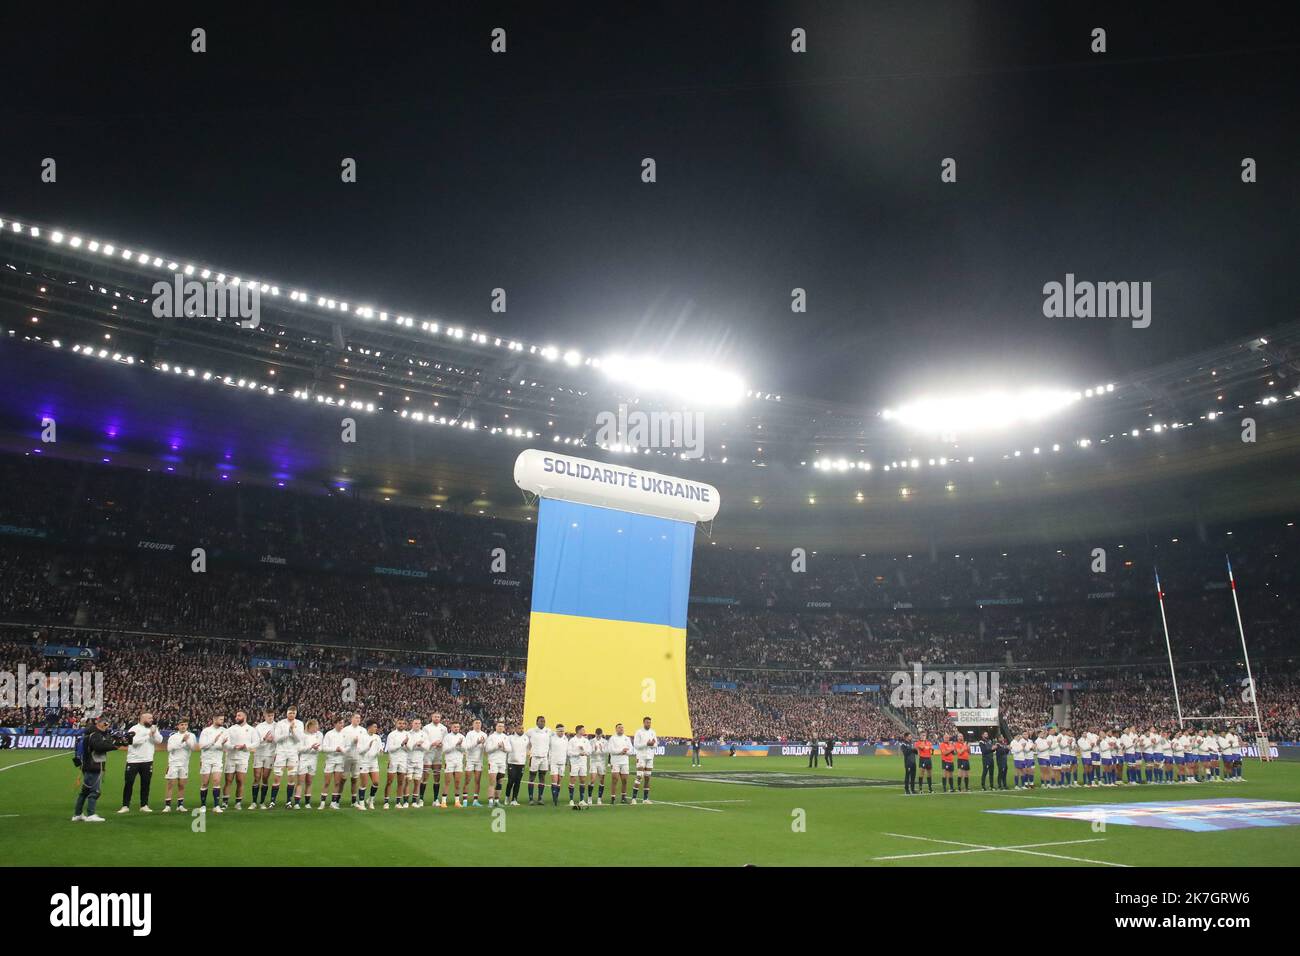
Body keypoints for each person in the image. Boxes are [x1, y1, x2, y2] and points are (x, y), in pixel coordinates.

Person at [73, 715, 124, 823]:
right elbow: (99, 747)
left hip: (88, 765)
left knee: (85, 791)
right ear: (100, 723)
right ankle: (91, 814)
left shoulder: (91, 733)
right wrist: (115, 746)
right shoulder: (95, 734)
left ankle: (77, 814)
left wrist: (113, 743)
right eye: (106, 723)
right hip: (93, 765)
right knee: (94, 791)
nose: (107, 726)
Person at [119, 711, 162, 813]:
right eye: (150, 718)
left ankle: (144, 805)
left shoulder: (153, 729)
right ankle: (125, 805)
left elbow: (159, 741)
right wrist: (148, 735)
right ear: (142, 719)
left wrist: (154, 733)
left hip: (147, 760)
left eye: (152, 718)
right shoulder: (134, 729)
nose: (152, 720)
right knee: (129, 783)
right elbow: (133, 742)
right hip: (133, 760)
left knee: (146, 784)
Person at [222, 710, 257, 810]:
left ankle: (238, 803)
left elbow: (255, 743)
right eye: (236, 715)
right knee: (228, 780)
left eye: (239, 715)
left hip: (243, 758)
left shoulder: (251, 730)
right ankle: (225, 802)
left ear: (244, 717)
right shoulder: (231, 729)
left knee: (240, 781)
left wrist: (246, 746)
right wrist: (233, 747)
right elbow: (225, 742)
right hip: (230, 757)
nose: (236, 717)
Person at [162, 720, 197, 812]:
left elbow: (193, 748)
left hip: (184, 764)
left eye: (185, 725)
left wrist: (187, 741)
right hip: (173, 763)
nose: (184, 726)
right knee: (170, 784)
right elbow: (169, 749)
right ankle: (167, 806)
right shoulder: (173, 737)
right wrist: (182, 741)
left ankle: (180, 805)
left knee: (182, 784)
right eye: (182, 725)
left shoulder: (191, 736)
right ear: (178, 726)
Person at [197, 714, 228, 812]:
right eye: (220, 719)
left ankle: (216, 806)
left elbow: (225, 746)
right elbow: (201, 746)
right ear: (214, 719)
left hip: (218, 759)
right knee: (205, 782)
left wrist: (223, 745)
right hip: (206, 759)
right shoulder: (206, 731)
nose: (222, 721)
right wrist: (213, 741)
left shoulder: (224, 731)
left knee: (216, 781)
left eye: (223, 719)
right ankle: (203, 805)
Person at [525, 716, 551, 805]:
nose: (542, 722)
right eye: (541, 721)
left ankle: (540, 798)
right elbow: (525, 742)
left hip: (544, 758)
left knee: (542, 777)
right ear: (536, 722)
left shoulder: (549, 731)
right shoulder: (531, 731)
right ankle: (531, 798)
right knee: (532, 777)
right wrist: (528, 751)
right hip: (534, 757)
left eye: (544, 721)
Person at [632, 716, 657, 804]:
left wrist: (652, 744)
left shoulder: (653, 732)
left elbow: (655, 744)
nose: (648, 724)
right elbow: (636, 745)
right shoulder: (639, 732)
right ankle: (634, 798)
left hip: (650, 757)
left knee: (647, 778)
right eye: (647, 722)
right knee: (639, 776)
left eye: (649, 722)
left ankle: (645, 799)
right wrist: (646, 743)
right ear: (643, 723)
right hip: (641, 757)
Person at [607, 722, 633, 804]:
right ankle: (613, 797)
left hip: (625, 761)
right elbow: (610, 750)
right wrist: (620, 751)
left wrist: (626, 752)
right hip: (615, 761)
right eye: (619, 727)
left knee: (624, 780)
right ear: (616, 729)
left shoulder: (627, 738)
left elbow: (631, 750)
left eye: (622, 727)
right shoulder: (612, 738)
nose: (621, 729)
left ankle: (623, 798)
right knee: (615, 779)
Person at [485, 720, 510, 807]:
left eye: (502, 726)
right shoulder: (491, 737)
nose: (500, 727)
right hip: (493, 762)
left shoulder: (506, 737)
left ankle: (497, 800)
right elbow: (487, 749)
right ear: (495, 727)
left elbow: (509, 749)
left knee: (500, 782)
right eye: (499, 726)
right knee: (492, 782)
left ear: (504, 728)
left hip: (502, 762)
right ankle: (490, 801)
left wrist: (503, 748)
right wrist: (497, 747)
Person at [506, 721, 528, 806]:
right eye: (519, 728)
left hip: (521, 763)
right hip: (512, 762)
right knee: (511, 781)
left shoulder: (526, 738)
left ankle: (514, 799)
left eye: (522, 728)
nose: (521, 730)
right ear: (515, 729)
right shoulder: (510, 738)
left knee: (518, 782)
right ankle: (507, 796)